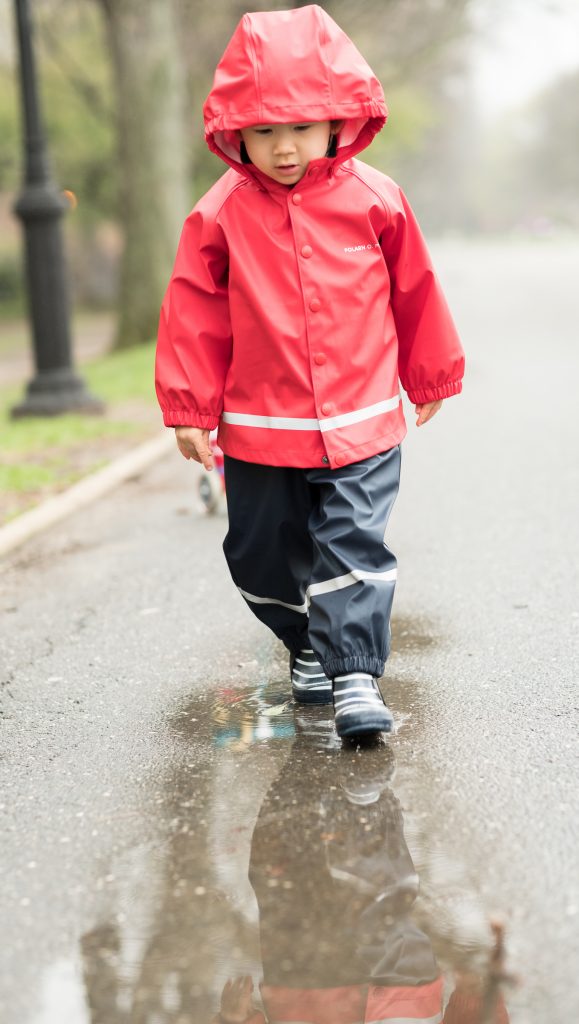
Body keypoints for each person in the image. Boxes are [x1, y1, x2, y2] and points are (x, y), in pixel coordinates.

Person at [155, 4, 465, 739]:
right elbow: (195, 313)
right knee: (261, 552)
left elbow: (412, 287)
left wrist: (429, 375)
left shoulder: (374, 199)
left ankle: (355, 674)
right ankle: (304, 645)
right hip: (261, 426)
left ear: (339, 119)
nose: (284, 147)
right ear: (235, 133)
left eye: (300, 126)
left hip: (360, 420)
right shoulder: (219, 215)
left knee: (351, 542)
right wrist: (190, 409)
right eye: (263, 131)